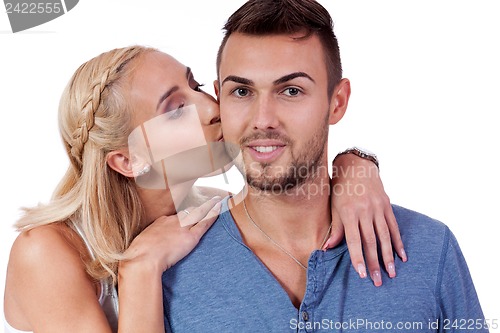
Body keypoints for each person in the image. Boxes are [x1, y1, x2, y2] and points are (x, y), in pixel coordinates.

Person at [3, 45, 400, 332]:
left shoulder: (210, 211)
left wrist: (354, 167)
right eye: (176, 109)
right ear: (127, 161)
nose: (213, 108)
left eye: (195, 86)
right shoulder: (47, 252)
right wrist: (140, 268)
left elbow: (296, 184)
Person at [162, 0, 488, 332]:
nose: (262, 120)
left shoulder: (429, 251)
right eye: (242, 91)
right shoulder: (172, 269)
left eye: (291, 90)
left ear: (337, 102)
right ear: (219, 97)